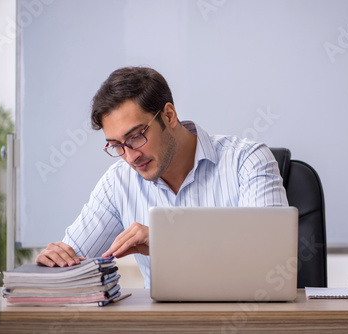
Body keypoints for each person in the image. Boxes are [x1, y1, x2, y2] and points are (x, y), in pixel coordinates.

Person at [35, 66, 288, 287]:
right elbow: (71, 261)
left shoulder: (248, 161)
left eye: (136, 137)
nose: (130, 157)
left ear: (169, 115)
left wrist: (167, 238)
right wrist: (55, 261)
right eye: (116, 145)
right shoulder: (118, 183)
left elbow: (271, 261)